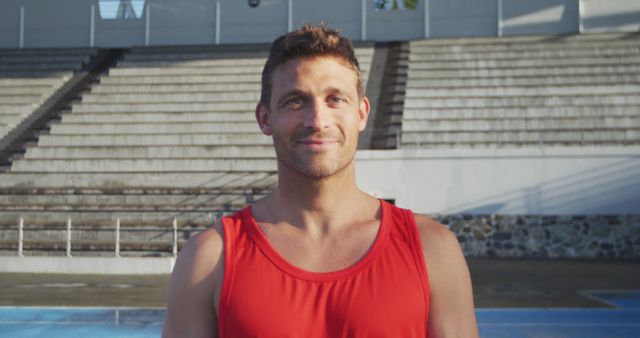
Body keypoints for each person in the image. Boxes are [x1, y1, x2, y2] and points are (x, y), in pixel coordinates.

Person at [162, 24, 478, 338]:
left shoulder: (431, 250)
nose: (317, 121)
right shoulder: (208, 260)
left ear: (362, 113)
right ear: (265, 118)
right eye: (295, 101)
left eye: (335, 99)